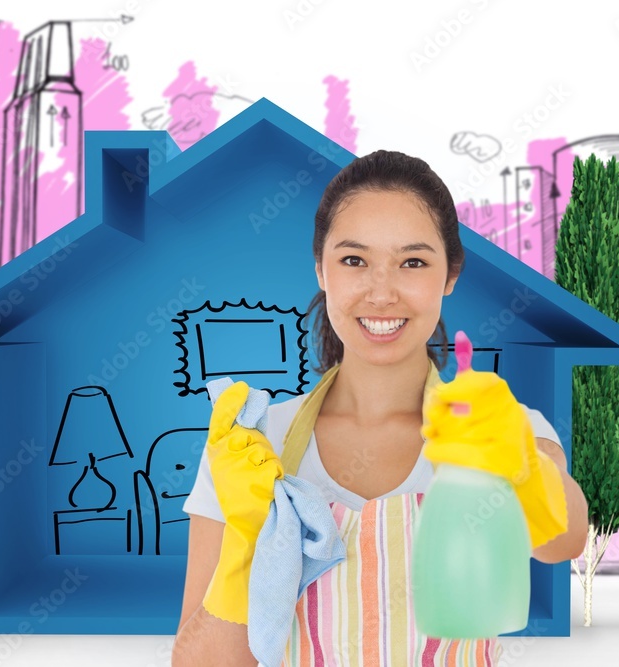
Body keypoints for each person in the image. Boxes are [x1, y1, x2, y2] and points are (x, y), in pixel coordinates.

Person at [172, 150, 589, 666]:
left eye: (412, 262)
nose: (382, 291)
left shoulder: (499, 428)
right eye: (354, 260)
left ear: (450, 274)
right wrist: (244, 539)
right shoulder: (254, 448)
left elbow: (564, 541)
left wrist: (519, 460)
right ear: (321, 270)